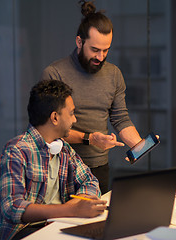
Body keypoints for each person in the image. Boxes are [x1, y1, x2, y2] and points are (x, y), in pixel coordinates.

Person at [41, 0, 142, 193]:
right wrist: (90, 138)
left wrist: (139, 145)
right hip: (61, 167)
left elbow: (120, 118)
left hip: (98, 168)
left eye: (106, 50)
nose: (101, 57)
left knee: (98, 222)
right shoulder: (55, 74)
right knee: (62, 222)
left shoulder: (114, 75)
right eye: (95, 50)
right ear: (79, 41)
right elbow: (48, 129)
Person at [0, 80, 107, 240]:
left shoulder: (63, 148)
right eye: (71, 113)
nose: (75, 120)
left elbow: (90, 181)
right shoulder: (16, 151)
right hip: (23, 232)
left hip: (60, 223)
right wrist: (72, 210)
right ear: (55, 117)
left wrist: (79, 205)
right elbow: (14, 208)